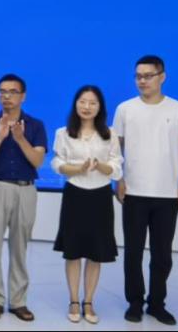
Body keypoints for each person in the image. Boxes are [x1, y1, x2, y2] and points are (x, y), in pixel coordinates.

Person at [114, 55, 178, 326]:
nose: (142, 81)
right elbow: (116, 146)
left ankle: (157, 304)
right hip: (134, 191)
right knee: (133, 252)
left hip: (167, 193)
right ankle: (135, 303)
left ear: (162, 77)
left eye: (148, 76)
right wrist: (119, 178)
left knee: (162, 254)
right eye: (138, 76)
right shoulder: (125, 109)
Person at [0, 73, 47, 323]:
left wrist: (19, 138)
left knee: (20, 246)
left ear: (23, 96)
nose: (6, 96)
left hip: (26, 189)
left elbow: (37, 160)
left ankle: (18, 301)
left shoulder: (35, 125)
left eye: (12, 92)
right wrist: (1, 136)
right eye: (2, 91)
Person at [51, 85, 123, 324]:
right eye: (82, 102)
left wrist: (101, 166)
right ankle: (73, 300)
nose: (87, 107)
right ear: (76, 104)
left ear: (100, 107)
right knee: (73, 251)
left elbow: (117, 167)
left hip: (100, 196)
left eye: (92, 103)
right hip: (75, 194)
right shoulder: (63, 133)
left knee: (96, 252)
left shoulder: (110, 134)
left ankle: (89, 301)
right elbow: (57, 163)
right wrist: (77, 168)